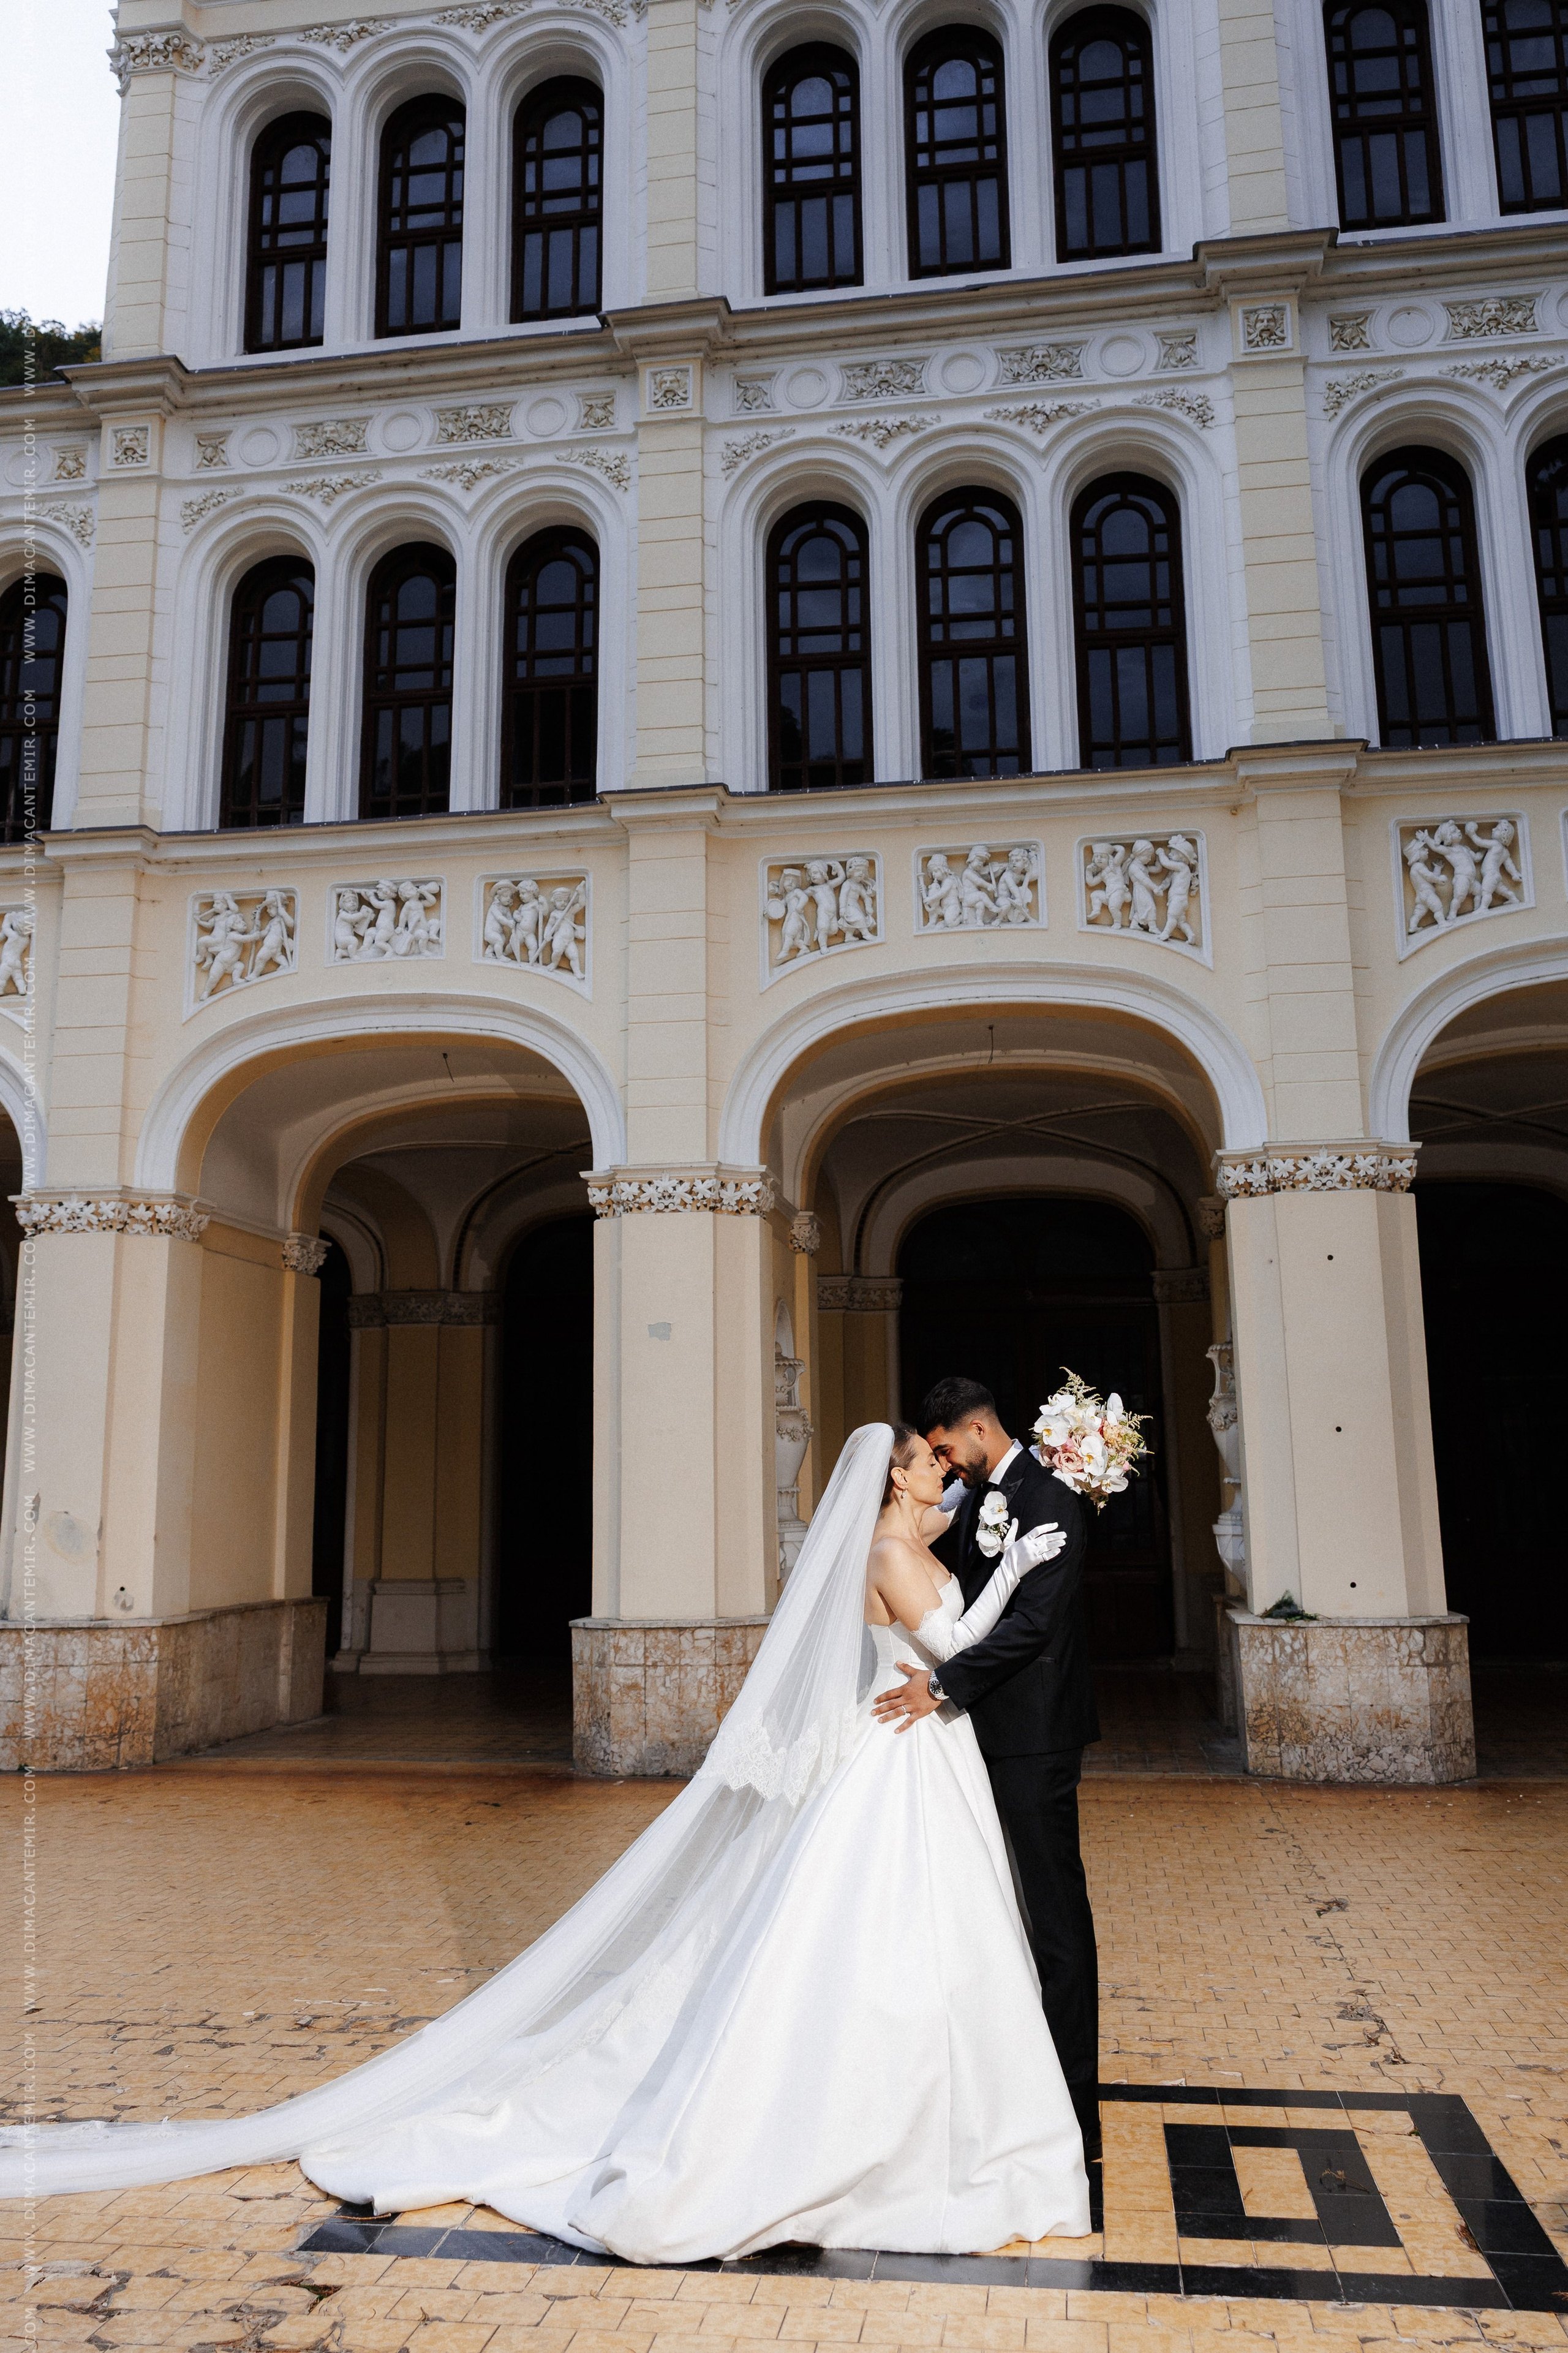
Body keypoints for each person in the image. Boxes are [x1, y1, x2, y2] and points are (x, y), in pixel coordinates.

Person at [0, 1426, 1090, 2265]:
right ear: (894, 1478)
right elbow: (957, 1635)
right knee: (890, 1926)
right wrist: (1026, 1561)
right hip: (905, 1743)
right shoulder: (894, 1551)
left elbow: (963, 1538)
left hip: (910, 1741)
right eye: (928, 1461)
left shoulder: (903, 1535)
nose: (944, 1471)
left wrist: (1040, 1502)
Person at [875, 1377, 1102, 2162]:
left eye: (945, 1449)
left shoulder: (1051, 1502)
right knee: (992, 1909)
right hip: (973, 1735)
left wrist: (940, 1684)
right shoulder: (973, 1500)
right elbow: (921, 1548)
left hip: (1034, 1736)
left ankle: (1074, 2102)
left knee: (1054, 1916)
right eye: (930, 1457)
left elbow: (1034, 1626)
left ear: (976, 1429)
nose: (943, 1463)